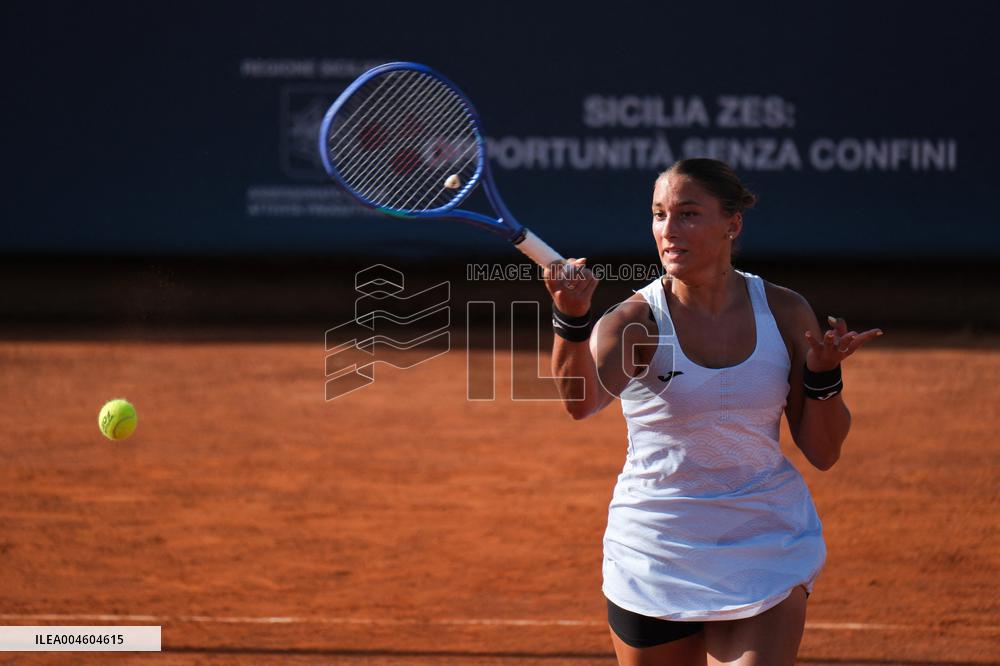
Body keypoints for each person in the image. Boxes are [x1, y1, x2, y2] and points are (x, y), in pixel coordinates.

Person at [543, 158, 883, 665]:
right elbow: (581, 401)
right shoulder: (633, 322)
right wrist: (570, 322)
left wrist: (824, 377)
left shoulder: (786, 311)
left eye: (688, 214)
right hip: (656, 552)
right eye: (659, 214)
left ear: (733, 223)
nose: (668, 230)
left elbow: (824, 450)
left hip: (764, 542)